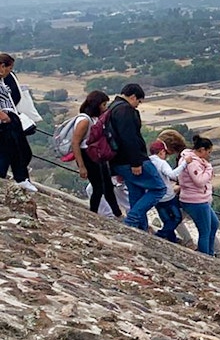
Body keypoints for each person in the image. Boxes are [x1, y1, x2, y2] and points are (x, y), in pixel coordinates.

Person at [109, 84, 167, 231]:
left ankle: (139, 227)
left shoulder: (112, 107)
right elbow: (129, 138)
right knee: (159, 188)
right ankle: (132, 220)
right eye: (138, 101)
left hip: (118, 160)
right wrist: (136, 162)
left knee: (136, 192)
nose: (137, 105)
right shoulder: (125, 110)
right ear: (133, 97)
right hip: (131, 160)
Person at [70, 90, 122, 215]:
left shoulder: (94, 119)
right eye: (103, 105)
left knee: (108, 186)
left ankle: (117, 213)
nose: (105, 108)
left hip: (96, 155)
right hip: (87, 155)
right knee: (98, 188)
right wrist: (81, 166)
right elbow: (75, 143)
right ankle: (93, 213)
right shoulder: (85, 120)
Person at [0, 54, 37, 193]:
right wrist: (3, 116)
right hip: (6, 117)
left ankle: (18, 178)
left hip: (10, 116)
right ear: (3, 66)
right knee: (16, 150)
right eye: (9, 68)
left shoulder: (2, 80)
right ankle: (20, 179)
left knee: (12, 150)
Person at [178, 136, 218, 255]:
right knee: (205, 231)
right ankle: (205, 255)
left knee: (214, 224)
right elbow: (199, 181)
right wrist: (209, 169)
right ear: (202, 150)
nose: (209, 155)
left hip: (199, 198)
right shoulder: (193, 163)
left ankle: (209, 253)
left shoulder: (192, 159)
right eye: (208, 152)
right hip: (195, 200)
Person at [147, 140, 185, 242]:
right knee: (177, 218)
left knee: (166, 220)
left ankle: (171, 239)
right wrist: (184, 164)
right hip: (168, 196)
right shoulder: (162, 163)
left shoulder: (148, 161)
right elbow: (172, 175)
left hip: (156, 197)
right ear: (161, 152)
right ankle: (160, 234)